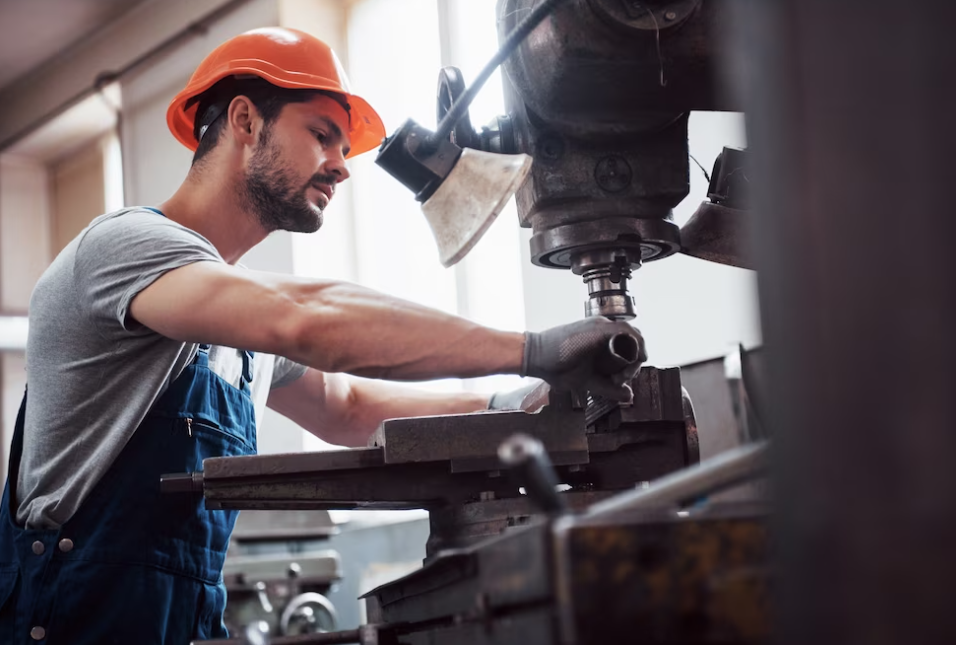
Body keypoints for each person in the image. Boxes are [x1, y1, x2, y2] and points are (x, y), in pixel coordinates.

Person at [0, 27, 645, 644]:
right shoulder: (127, 249)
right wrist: (533, 348)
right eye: (322, 136)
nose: (341, 167)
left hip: (183, 620)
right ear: (246, 121)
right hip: (78, 617)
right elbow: (307, 318)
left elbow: (345, 407)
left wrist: (511, 405)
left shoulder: (230, 307)